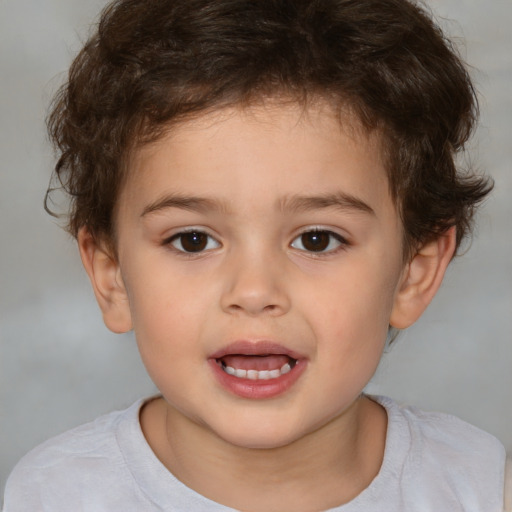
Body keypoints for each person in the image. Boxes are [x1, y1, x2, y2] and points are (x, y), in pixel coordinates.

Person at [3, 0, 507, 510]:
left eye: (317, 239)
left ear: (413, 273)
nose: (254, 291)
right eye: (192, 240)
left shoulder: (480, 488)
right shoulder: (53, 495)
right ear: (111, 277)